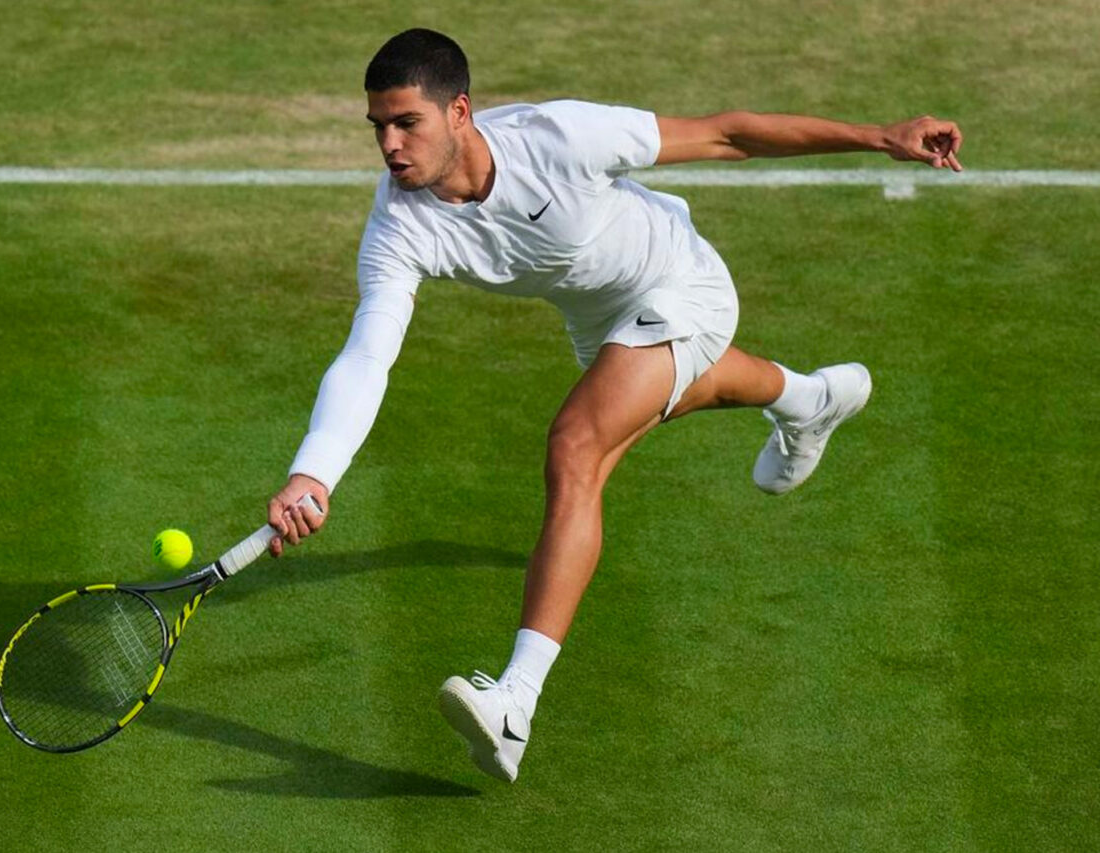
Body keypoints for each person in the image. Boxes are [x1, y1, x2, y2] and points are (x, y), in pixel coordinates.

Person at [263, 28, 963, 782]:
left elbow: (725, 135)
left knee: (576, 449)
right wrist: (315, 472)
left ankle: (514, 704)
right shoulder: (400, 226)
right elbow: (369, 353)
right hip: (601, 325)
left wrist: (881, 137)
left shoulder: (558, 137)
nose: (390, 146)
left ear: (460, 111)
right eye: (379, 127)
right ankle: (809, 399)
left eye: (408, 123)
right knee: (680, 394)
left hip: (682, 283)